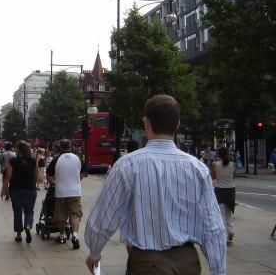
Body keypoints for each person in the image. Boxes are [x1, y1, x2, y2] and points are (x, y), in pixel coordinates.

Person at [84, 94, 226, 275]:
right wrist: (218, 270)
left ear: (146, 123)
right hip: (187, 262)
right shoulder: (197, 168)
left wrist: (95, 253)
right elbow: (213, 227)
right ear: (177, 124)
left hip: (147, 263)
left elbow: (104, 217)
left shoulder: (128, 165)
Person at [46, 139, 85, 250]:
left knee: (61, 215)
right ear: (70, 146)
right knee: (75, 214)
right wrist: (76, 182)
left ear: (60, 147)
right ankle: (75, 236)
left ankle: (62, 236)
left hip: (61, 192)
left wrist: (54, 183)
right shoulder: (77, 158)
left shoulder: (56, 159)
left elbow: (48, 175)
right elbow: (82, 174)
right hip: (75, 192)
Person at [0, 140, 39, 243]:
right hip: (30, 189)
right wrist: (33, 184)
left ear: (19, 149)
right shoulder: (33, 161)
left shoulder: (13, 161)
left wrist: (3, 189)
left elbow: (8, 176)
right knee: (29, 210)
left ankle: (18, 235)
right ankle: (27, 225)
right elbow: (36, 174)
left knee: (17, 211)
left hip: (15, 189)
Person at [211, 147, 236, 243]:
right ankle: (231, 231)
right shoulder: (233, 164)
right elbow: (233, 177)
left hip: (220, 190)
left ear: (218, 155)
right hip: (230, 190)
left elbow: (213, 177)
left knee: (221, 214)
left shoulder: (215, 165)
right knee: (229, 213)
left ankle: (225, 235)